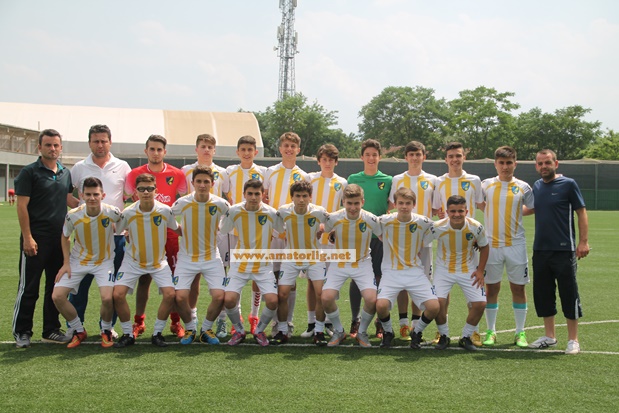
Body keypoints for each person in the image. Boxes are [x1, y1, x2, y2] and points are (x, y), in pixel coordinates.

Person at [13, 128, 78, 348]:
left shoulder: (65, 172)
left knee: (54, 287)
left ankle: (51, 330)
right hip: (35, 239)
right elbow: (21, 207)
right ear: (39, 147)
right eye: (48, 145)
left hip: (59, 240)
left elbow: (68, 199)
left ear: (61, 148)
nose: (52, 148)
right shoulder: (29, 172)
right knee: (29, 288)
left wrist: (95, 205)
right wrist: (27, 237)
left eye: (56, 145)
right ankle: (22, 331)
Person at [67, 124, 131, 339]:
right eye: (96, 141)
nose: (100, 145)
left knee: (111, 288)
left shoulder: (122, 166)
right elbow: (66, 194)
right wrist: (81, 210)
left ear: (110, 142)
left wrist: (124, 223)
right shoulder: (79, 167)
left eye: (104, 141)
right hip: (85, 239)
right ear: (89, 143)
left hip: (115, 238)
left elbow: (131, 196)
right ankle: (76, 326)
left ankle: (107, 326)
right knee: (79, 286)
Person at [526, 149, 590, 355]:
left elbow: (581, 212)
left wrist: (583, 242)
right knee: (543, 294)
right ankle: (549, 336)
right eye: (540, 163)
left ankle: (573, 340)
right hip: (540, 250)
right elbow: (531, 209)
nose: (544, 166)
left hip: (564, 250)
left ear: (556, 163)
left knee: (568, 293)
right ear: (536, 166)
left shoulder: (568, 184)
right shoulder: (536, 186)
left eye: (547, 162)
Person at [125, 135, 187, 338]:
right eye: (152, 149)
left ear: (164, 152)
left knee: (172, 280)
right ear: (146, 151)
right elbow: (126, 199)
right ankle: (139, 321)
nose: (155, 153)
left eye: (159, 149)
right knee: (144, 279)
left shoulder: (177, 174)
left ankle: (175, 322)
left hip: (168, 233)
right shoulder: (134, 174)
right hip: (142, 233)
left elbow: (184, 201)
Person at [52, 177, 121, 348]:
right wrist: (66, 263)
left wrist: (119, 230)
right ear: (81, 195)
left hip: (104, 261)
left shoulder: (112, 212)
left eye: (95, 194)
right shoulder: (73, 215)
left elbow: (122, 224)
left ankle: (106, 330)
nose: (92, 198)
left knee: (107, 298)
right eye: (88, 194)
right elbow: (65, 236)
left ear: (103, 195)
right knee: (57, 296)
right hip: (78, 261)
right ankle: (78, 329)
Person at [113, 174, 180, 348]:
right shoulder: (128, 212)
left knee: (170, 294)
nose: (146, 192)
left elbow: (177, 229)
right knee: (117, 294)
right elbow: (117, 229)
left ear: (156, 191)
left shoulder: (165, 210)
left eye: (150, 188)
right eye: (141, 189)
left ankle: (157, 333)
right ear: (136, 192)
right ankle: (128, 334)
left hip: (158, 262)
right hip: (133, 261)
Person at [431, 141, 484, 346]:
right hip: (447, 239)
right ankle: (441, 332)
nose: (455, 159)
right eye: (451, 156)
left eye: (458, 156)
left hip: (470, 241)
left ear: (464, 157)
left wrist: (478, 234)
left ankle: (473, 332)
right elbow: (437, 210)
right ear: (446, 159)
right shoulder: (439, 181)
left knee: (474, 289)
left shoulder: (474, 180)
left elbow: (479, 206)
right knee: (443, 291)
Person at [481, 146, 534, 348]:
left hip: (516, 245)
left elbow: (533, 206)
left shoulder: (523, 187)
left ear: (515, 164)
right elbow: (478, 203)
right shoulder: (486, 185)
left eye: (509, 163)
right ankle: (491, 331)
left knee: (518, 288)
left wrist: (516, 212)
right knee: (491, 288)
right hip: (491, 245)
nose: (505, 166)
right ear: (495, 164)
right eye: (501, 163)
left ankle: (520, 332)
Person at [171, 166, 230, 345]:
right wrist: (178, 229)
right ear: (193, 183)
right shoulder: (183, 202)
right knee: (179, 297)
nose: (202, 185)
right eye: (199, 181)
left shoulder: (220, 203)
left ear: (212, 184)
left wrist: (221, 228)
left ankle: (206, 329)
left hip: (211, 257)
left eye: (206, 182)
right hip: (186, 258)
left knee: (220, 296)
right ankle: (190, 328)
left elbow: (231, 217)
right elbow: (167, 215)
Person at [375, 187, 439, 349]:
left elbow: (441, 227)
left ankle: (417, 332)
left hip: (414, 272)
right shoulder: (384, 220)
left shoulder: (422, 221)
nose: (404, 206)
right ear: (395, 204)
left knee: (434, 307)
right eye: (401, 203)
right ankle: (388, 332)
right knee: (380, 306)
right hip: (391, 272)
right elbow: (364, 221)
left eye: (408, 203)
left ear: (413, 205)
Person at [219, 179, 280, 347]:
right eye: (250, 194)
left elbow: (281, 230)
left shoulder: (270, 212)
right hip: (240, 264)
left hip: (263, 266)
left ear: (263, 194)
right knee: (229, 300)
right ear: (244, 194)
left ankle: (259, 330)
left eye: (257, 194)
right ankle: (239, 330)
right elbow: (223, 229)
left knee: (273, 301)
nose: (253, 197)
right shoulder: (235, 210)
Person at [219, 135, 268, 338]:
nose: (246, 153)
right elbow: (226, 195)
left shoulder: (264, 172)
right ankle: (235, 317)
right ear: (237, 152)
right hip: (235, 231)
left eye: (250, 149)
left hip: (257, 231)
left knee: (257, 274)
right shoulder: (229, 171)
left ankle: (254, 316)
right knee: (234, 274)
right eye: (243, 149)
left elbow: (266, 196)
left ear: (255, 152)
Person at [321, 184, 382, 347]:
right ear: (343, 202)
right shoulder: (334, 217)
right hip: (339, 262)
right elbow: (324, 229)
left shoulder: (370, 219)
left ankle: (361, 332)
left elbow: (383, 236)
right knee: (326, 298)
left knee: (372, 299)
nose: (353, 207)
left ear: (363, 202)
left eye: (356, 203)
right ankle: (339, 331)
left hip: (362, 262)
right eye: (349, 203)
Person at [388, 140, 437, 340]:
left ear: (424, 156)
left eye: (418, 154)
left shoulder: (433, 179)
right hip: (400, 241)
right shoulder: (397, 179)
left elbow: (436, 209)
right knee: (401, 283)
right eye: (411, 154)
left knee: (420, 281)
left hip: (424, 240)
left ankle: (416, 325)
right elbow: (391, 207)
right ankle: (403, 324)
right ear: (406, 157)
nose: (415, 158)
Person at [263, 132, 310, 336]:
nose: (289, 149)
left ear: (298, 150)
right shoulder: (270, 172)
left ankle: (288, 321)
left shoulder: (305, 175)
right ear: (280, 148)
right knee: (274, 276)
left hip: (294, 233)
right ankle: (276, 322)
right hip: (274, 232)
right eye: (286, 145)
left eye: (293, 146)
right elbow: (264, 198)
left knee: (290, 279)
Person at [272, 181, 329, 345]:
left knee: (321, 294)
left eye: (305, 196)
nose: (301, 200)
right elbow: (278, 227)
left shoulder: (319, 212)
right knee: (282, 294)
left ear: (310, 197)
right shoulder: (284, 211)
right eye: (298, 196)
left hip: (314, 257)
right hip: (291, 257)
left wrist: (323, 230)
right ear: (292, 197)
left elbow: (330, 223)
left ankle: (319, 331)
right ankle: (282, 330)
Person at [347, 139, 393, 339]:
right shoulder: (353, 178)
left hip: (379, 237)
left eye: (374, 155)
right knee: (357, 278)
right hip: (358, 237)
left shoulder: (388, 180)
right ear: (362, 157)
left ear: (379, 157)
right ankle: (355, 319)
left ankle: (380, 321)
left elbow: (391, 204)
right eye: (367, 154)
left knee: (380, 277)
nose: (371, 158)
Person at [432, 195, 489, 351]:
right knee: (437, 303)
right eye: (453, 211)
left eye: (460, 211)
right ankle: (444, 336)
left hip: (468, 270)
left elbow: (485, 247)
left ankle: (466, 337)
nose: (457, 214)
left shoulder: (476, 226)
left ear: (466, 211)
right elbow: (421, 241)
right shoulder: (437, 226)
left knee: (480, 303)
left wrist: (480, 270)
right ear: (447, 212)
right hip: (444, 270)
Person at [303, 144, 347, 338]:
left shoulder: (342, 182)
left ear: (336, 162)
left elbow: (344, 210)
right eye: (324, 159)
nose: (327, 163)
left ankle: (328, 322)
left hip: (332, 238)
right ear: (318, 161)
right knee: (312, 281)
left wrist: (335, 228)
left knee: (331, 280)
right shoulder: (309, 179)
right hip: (312, 237)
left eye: (331, 160)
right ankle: (311, 322)